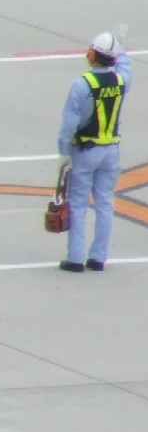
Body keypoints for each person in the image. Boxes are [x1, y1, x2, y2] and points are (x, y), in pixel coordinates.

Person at [57, 29, 130, 272]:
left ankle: (75, 258)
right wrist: (121, 44)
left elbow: (69, 122)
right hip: (111, 151)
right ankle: (98, 257)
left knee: (78, 203)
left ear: (91, 54)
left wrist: (64, 151)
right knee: (105, 203)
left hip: (86, 151)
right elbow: (125, 67)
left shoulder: (82, 84)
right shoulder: (121, 81)